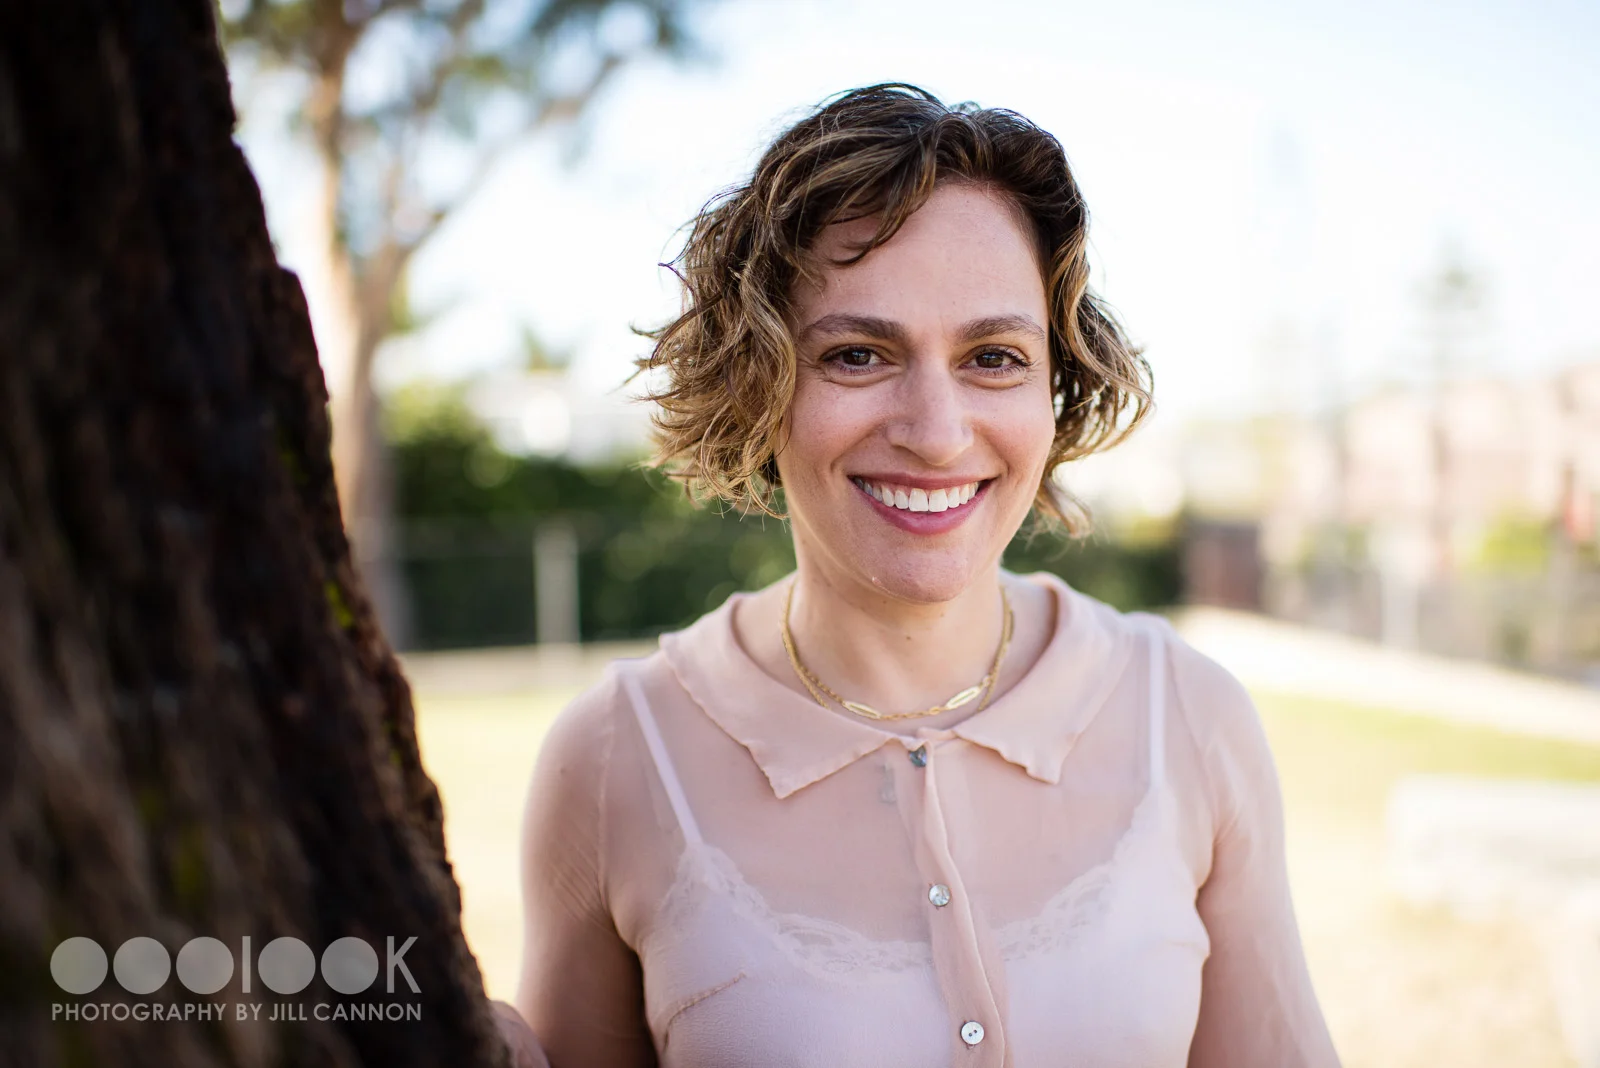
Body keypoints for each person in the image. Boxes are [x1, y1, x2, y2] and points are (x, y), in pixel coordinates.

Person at [496, 83, 1342, 1068]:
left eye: (994, 357)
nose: (937, 434)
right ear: (757, 382)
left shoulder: (1188, 717)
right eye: (857, 354)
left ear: (1055, 385)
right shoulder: (614, 757)